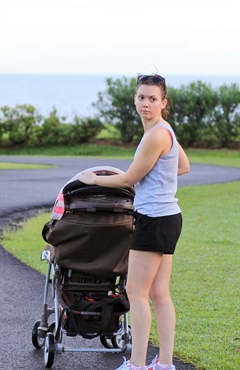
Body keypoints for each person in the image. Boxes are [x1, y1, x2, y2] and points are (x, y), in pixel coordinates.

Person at [78, 74, 190, 370]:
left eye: (153, 99)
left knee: (136, 292)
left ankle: (137, 364)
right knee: (158, 294)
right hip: (168, 217)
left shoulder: (155, 135)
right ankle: (165, 364)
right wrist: (158, 179)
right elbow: (182, 166)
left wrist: (92, 179)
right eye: (141, 97)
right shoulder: (165, 130)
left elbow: (129, 178)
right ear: (135, 99)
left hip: (154, 219)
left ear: (164, 103)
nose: (146, 103)